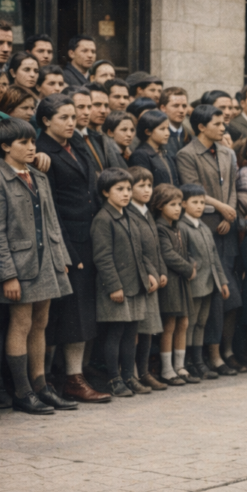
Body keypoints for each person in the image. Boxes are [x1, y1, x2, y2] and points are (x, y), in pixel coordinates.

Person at [0, 118, 76, 414]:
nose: (31, 148)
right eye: (23, 143)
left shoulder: (38, 177)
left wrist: (61, 258)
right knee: (21, 323)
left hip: (47, 262)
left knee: (41, 322)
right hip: (20, 266)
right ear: (4, 147)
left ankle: (41, 386)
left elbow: (52, 222)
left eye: (32, 142)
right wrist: (8, 275)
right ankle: (22, 391)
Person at [38, 94, 111, 403]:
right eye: (64, 118)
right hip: (66, 243)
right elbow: (49, 207)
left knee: (79, 313)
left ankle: (71, 376)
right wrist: (68, 251)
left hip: (87, 236)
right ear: (45, 121)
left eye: (73, 116)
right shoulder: (43, 151)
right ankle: (56, 379)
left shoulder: (77, 143)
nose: (72, 122)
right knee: (61, 316)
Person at [176, 104, 241, 373]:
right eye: (217, 123)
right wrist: (220, 209)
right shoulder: (187, 154)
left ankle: (223, 352)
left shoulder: (227, 152)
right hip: (203, 229)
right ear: (201, 127)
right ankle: (206, 357)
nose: (223, 127)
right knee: (209, 298)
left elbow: (233, 187)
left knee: (230, 296)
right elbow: (194, 188)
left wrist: (229, 214)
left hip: (227, 229)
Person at [91, 168, 155, 398]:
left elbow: (138, 251)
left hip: (135, 284)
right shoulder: (103, 219)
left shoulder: (129, 216)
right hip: (117, 287)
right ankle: (114, 379)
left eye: (128, 189)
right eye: (120, 189)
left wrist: (147, 273)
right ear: (106, 192)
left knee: (131, 333)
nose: (126, 194)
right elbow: (102, 256)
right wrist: (114, 286)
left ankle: (129, 376)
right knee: (115, 333)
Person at [176, 183, 231, 381]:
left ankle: (199, 360)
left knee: (201, 323)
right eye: (194, 202)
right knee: (190, 323)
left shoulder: (204, 227)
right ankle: (189, 361)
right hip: (194, 284)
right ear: (183, 204)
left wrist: (222, 282)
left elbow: (214, 257)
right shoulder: (182, 227)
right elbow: (185, 255)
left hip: (209, 283)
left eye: (202, 202)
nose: (199, 206)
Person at [126, 167, 168, 391]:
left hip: (153, 276)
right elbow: (137, 250)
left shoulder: (146, 212)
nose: (146, 190)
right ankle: (133, 373)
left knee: (149, 327)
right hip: (140, 278)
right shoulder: (129, 213)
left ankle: (144, 371)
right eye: (140, 185)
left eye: (149, 185)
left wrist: (161, 270)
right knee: (136, 329)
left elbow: (155, 247)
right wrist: (150, 272)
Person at [152, 183, 196, 385]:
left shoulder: (178, 227)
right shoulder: (160, 228)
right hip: (171, 282)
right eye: (172, 204)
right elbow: (168, 254)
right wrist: (188, 269)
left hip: (182, 283)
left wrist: (191, 264)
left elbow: (185, 252)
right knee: (169, 324)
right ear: (160, 206)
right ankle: (167, 369)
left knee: (183, 323)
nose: (178, 208)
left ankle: (180, 366)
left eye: (179, 204)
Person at [129, 109, 175, 187]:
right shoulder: (140, 155)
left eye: (167, 129)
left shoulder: (165, 152)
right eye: (162, 129)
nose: (167, 133)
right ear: (148, 131)